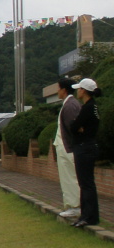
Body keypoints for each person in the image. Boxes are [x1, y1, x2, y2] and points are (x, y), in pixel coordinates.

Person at [70, 77, 102, 228]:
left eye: (79, 89)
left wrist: (78, 129)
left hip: (84, 147)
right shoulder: (93, 106)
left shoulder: (88, 108)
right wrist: (79, 128)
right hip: (89, 145)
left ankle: (87, 216)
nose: (78, 91)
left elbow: (74, 126)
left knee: (85, 183)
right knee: (88, 183)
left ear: (84, 91)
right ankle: (91, 216)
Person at [54, 77, 82, 219]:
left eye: (59, 89)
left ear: (64, 90)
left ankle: (75, 206)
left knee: (70, 177)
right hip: (66, 146)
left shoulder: (70, 105)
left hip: (68, 148)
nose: (57, 92)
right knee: (68, 177)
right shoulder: (69, 104)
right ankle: (73, 205)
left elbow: (74, 128)